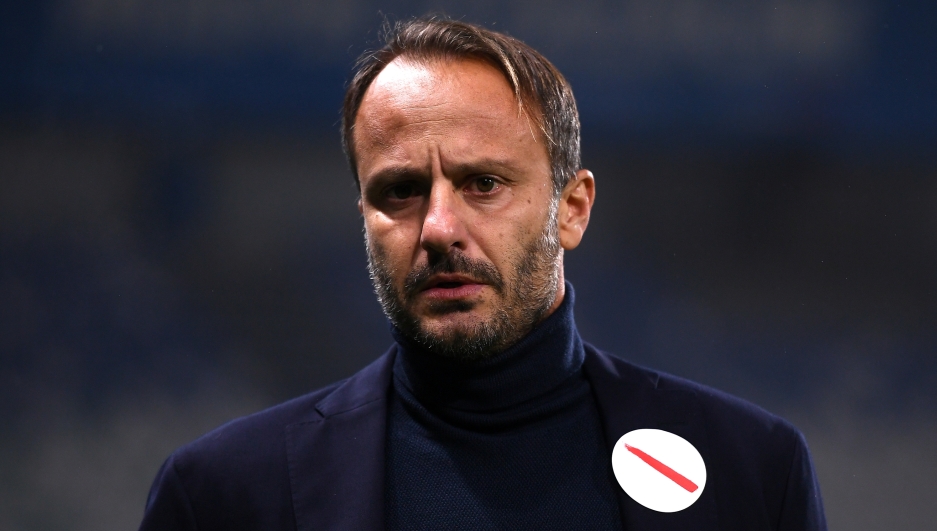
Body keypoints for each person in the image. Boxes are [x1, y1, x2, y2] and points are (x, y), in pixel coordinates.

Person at [139, 16, 826, 531]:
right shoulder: (222, 496)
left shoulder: (751, 473)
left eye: (484, 183)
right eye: (400, 191)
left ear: (572, 210)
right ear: (364, 216)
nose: (438, 228)